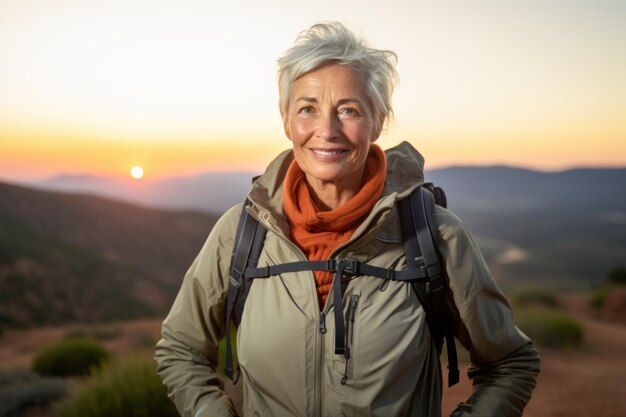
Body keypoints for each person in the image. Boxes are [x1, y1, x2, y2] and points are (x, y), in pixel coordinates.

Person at [154, 22, 540, 417]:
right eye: (307, 109)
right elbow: (180, 349)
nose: (327, 130)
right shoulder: (242, 233)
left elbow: (510, 362)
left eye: (348, 110)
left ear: (378, 120)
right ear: (287, 120)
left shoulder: (433, 234)